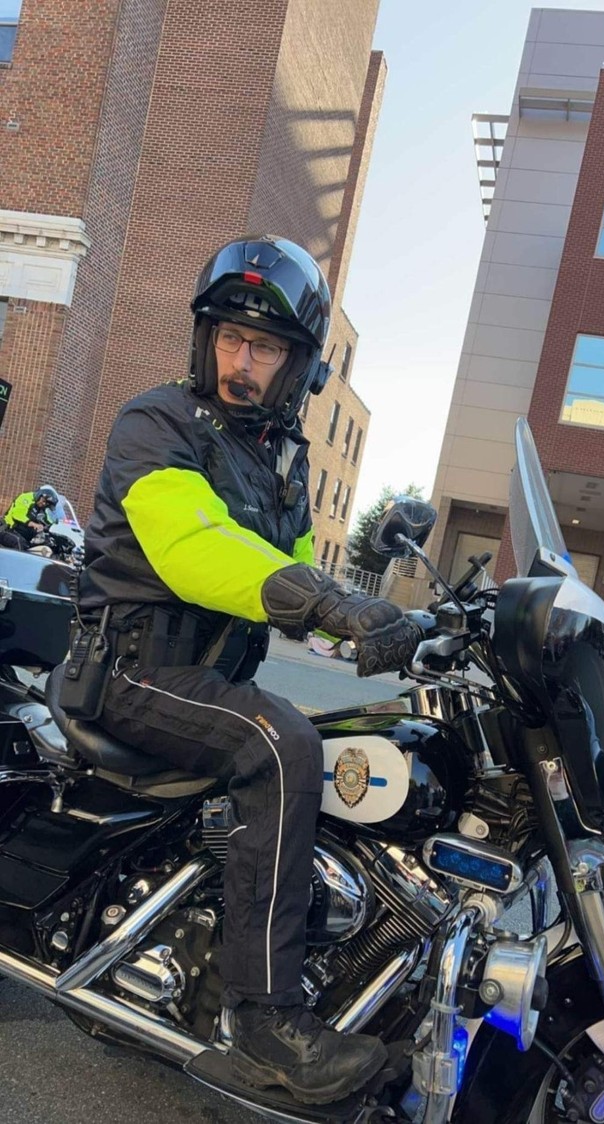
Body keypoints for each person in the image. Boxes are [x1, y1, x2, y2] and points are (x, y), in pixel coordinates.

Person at [76, 235, 420, 1104]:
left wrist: (392, 627)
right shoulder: (155, 423)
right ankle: (265, 1023)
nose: (241, 361)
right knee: (279, 743)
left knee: (366, 736)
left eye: (263, 347)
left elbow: (288, 580)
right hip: (133, 673)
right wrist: (327, 601)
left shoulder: (279, 466)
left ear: (298, 365)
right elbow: (197, 548)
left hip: (207, 681)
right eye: (230, 338)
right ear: (206, 339)